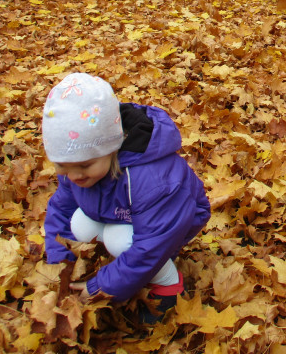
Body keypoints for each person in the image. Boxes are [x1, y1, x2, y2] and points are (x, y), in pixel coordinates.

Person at [42, 72, 211, 316]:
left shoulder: (149, 178)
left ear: (111, 148)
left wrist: (103, 286)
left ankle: (169, 284)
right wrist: (60, 263)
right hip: (122, 211)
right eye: (61, 166)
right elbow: (61, 210)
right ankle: (123, 262)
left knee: (120, 241)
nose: (74, 175)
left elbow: (155, 241)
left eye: (85, 165)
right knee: (78, 224)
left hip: (172, 222)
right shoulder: (76, 166)